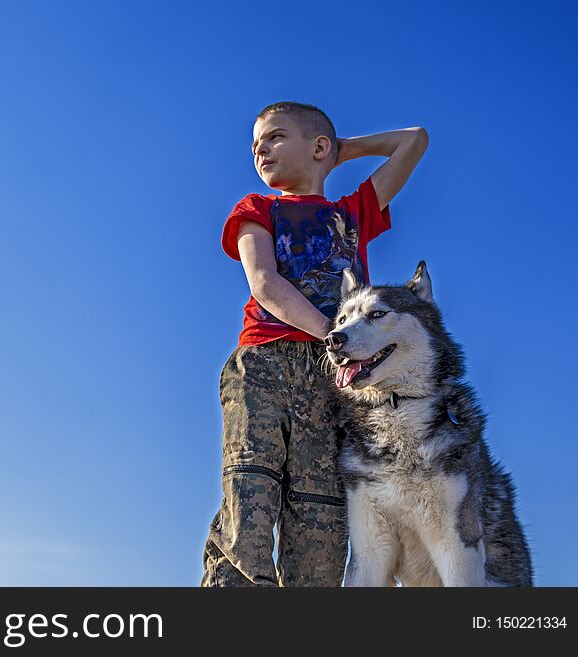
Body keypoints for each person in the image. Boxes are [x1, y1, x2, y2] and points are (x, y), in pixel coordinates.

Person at [201, 101, 428, 586]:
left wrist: (344, 151)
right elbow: (264, 283)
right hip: (266, 366)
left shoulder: (354, 213)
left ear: (319, 147)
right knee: (252, 497)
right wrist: (334, 335)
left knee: (321, 518)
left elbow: (415, 140)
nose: (261, 147)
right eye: (256, 143)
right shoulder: (257, 208)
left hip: (337, 380)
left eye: (277, 136)